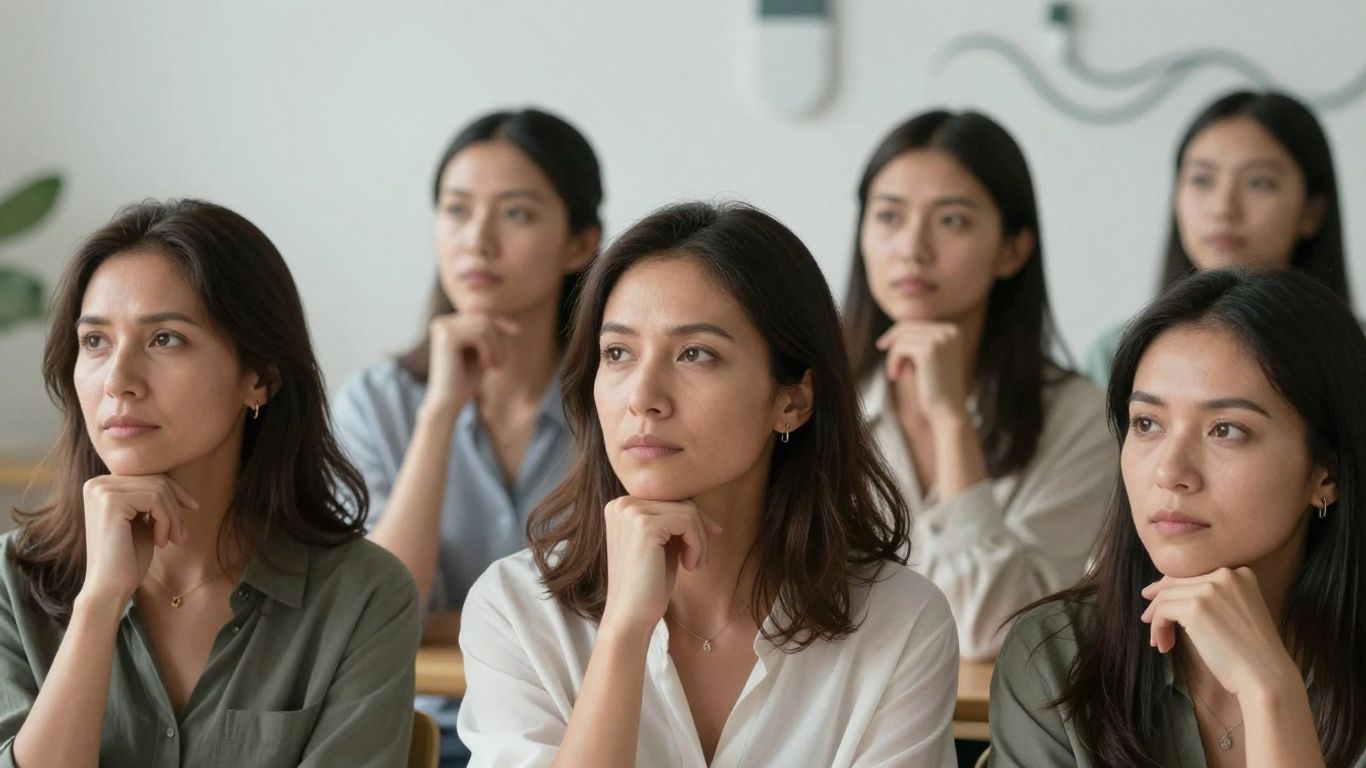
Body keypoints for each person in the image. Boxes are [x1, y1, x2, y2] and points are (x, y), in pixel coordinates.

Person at [458, 202, 959, 767]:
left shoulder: (901, 621)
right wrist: (623, 632)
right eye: (617, 353)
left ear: (791, 400)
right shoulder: (516, 609)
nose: (643, 396)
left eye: (696, 354)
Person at [0, 200, 419, 767]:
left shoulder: (363, 597)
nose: (118, 381)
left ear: (259, 377)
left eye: (164, 339)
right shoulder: (11, 585)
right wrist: (98, 604)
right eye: (95, 342)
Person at [991, 268, 1366, 767]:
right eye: (1146, 424)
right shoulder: (1056, 657)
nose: (1170, 472)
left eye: (1226, 430)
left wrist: (1270, 692)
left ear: (1327, 473)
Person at [332, 107, 603, 764]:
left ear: (580, 243)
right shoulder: (377, 403)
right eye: (456, 210)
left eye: (515, 214)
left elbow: (640, 609)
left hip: (578, 732)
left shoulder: (618, 402)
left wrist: (457, 622)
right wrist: (441, 413)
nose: (477, 240)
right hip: (410, 737)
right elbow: (378, 621)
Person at [843, 109, 1113, 660]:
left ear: (1012, 249)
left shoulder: (1078, 418)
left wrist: (950, 421)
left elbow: (991, 633)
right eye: (889, 217)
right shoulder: (815, 401)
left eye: (952, 221)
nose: (912, 248)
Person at [1084, 90, 1352, 386]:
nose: (1223, 208)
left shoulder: (1356, 353)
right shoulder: (1116, 355)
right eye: (1202, 179)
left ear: (1312, 211)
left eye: (1259, 182)